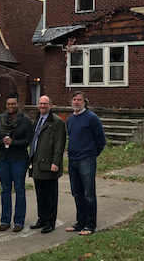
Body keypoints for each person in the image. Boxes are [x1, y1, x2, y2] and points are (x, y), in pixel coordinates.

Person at [65, 91, 106, 236]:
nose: (76, 102)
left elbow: (101, 140)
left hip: (86, 160)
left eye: (79, 100)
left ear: (85, 102)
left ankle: (90, 225)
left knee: (89, 194)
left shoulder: (91, 118)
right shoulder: (70, 119)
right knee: (77, 193)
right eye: (74, 99)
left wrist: (92, 154)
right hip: (73, 160)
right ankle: (80, 223)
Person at [0, 92, 34, 232]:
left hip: (19, 159)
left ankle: (19, 221)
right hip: (2, 159)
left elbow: (28, 140)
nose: (10, 106)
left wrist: (13, 142)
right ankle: (5, 220)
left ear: (18, 104)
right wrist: (2, 141)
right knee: (5, 189)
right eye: (8, 104)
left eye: (13, 104)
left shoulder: (26, 121)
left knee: (19, 189)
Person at [28, 95, 66, 234]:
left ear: (50, 105)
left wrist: (56, 163)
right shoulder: (37, 119)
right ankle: (42, 219)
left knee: (50, 195)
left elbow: (59, 144)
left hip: (49, 164)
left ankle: (50, 222)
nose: (42, 106)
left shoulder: (56, 122)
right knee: (40, 194)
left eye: (45, 104)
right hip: (37, 163)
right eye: (40, 103)